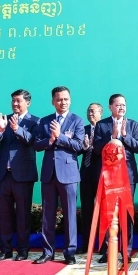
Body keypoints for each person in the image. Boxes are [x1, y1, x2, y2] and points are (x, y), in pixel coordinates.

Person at [33, 86, 85, 265]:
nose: (63, 102)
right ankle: (48, 252)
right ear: (53, 101)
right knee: (48, 215)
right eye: (59, 99)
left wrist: (60, 136)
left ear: (70, 100)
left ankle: (70, 252)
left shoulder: (77, 120)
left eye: (66, 99)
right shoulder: (44, 121)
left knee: (70, 215)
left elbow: (78, 146)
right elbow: (36, 145)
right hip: (49, 174)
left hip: (69, 174)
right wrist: (50, 140)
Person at [0, 89, 39, 261]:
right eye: (13, 101)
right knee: (4, 214)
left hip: (23, 175)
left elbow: (33, 141)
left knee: (23, 215)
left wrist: (17, 129)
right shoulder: (4, 119)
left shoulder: (35, 121)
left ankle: (23, 249)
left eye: (18, 101)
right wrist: (1, 130)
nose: (15, 104)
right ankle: (5, 249)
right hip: (3, 174)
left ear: (27, 102)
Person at [93, 94, 138, 263]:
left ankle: (126, 251)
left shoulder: (133, 124)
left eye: (124, 105)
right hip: (108, 177)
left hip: (127, 176)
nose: (121, 108)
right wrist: (112, 138)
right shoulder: (102, 125)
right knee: (109, 213)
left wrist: (124, 136)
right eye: (118, 105)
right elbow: (96, 149)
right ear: (110, 107)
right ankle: (109, 250)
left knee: (126, 214)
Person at [78, 103, 103, 254]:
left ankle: (104, 246)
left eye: (93, 111)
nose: (90, 113)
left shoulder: (105, 128)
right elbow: (75, 150)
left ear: (101, 113)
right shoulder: (83, 130)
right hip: (86, 174)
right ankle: (86, 244)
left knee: (103, 211)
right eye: (88, 111)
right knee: (86, 211)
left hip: (101, 175)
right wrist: (84, 147)